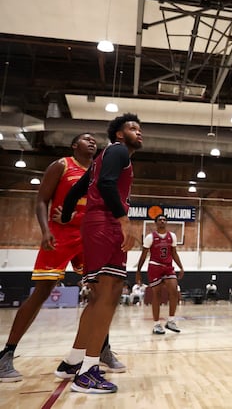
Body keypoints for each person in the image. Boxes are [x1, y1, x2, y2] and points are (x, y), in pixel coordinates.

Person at [0, 133, 123, 382]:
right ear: (73, 145)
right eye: (85, 139)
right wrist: (45, 231)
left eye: (94, 140)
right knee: (42, 292)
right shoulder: (62, 165)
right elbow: (41, 200)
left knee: (101, 296)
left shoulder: (101, 171)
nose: (92, 142)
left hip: (89, 238)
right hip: (59, 236)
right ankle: (6, 354)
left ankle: (101, 349)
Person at [57, 113, 142, 394]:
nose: (138, 132)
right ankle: (88, 372)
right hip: (106, 225)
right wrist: (124, 220)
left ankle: (73, 361)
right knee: (109, 294)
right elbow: (106, 185)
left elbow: (77, 189)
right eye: (132, 128)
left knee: (96, 298)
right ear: (119, 134)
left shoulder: (100, 159)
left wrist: (68, 214)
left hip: (94, 225)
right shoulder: (118, 151)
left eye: (140, 129)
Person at [135, 214, 185, 334]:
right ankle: (156, 324)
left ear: (166, 222)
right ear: (156, 223)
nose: (162, 221)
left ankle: (171, 321)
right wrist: (138, 271)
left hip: (168, 267)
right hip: (155, 267)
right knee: (156, 295)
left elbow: (174, 253)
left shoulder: (172, 236)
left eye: (164, 220)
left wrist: (181, 267)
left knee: (174, 291)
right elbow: (143, 255)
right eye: (160, 220)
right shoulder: (150, 237)